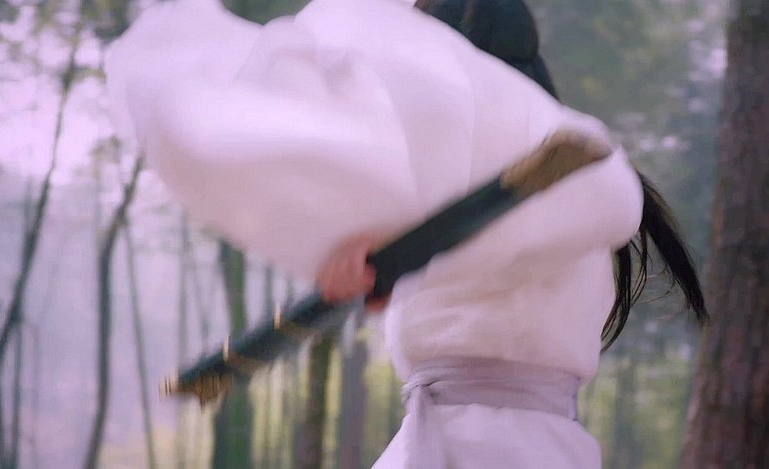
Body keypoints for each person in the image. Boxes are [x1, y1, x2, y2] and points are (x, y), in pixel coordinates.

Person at [106, 0, 706, 467]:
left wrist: (394, 261)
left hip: (516, 447)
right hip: (430, 439)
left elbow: (513, 239)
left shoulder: (577, 189)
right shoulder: (463, 196)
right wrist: (376, 265)